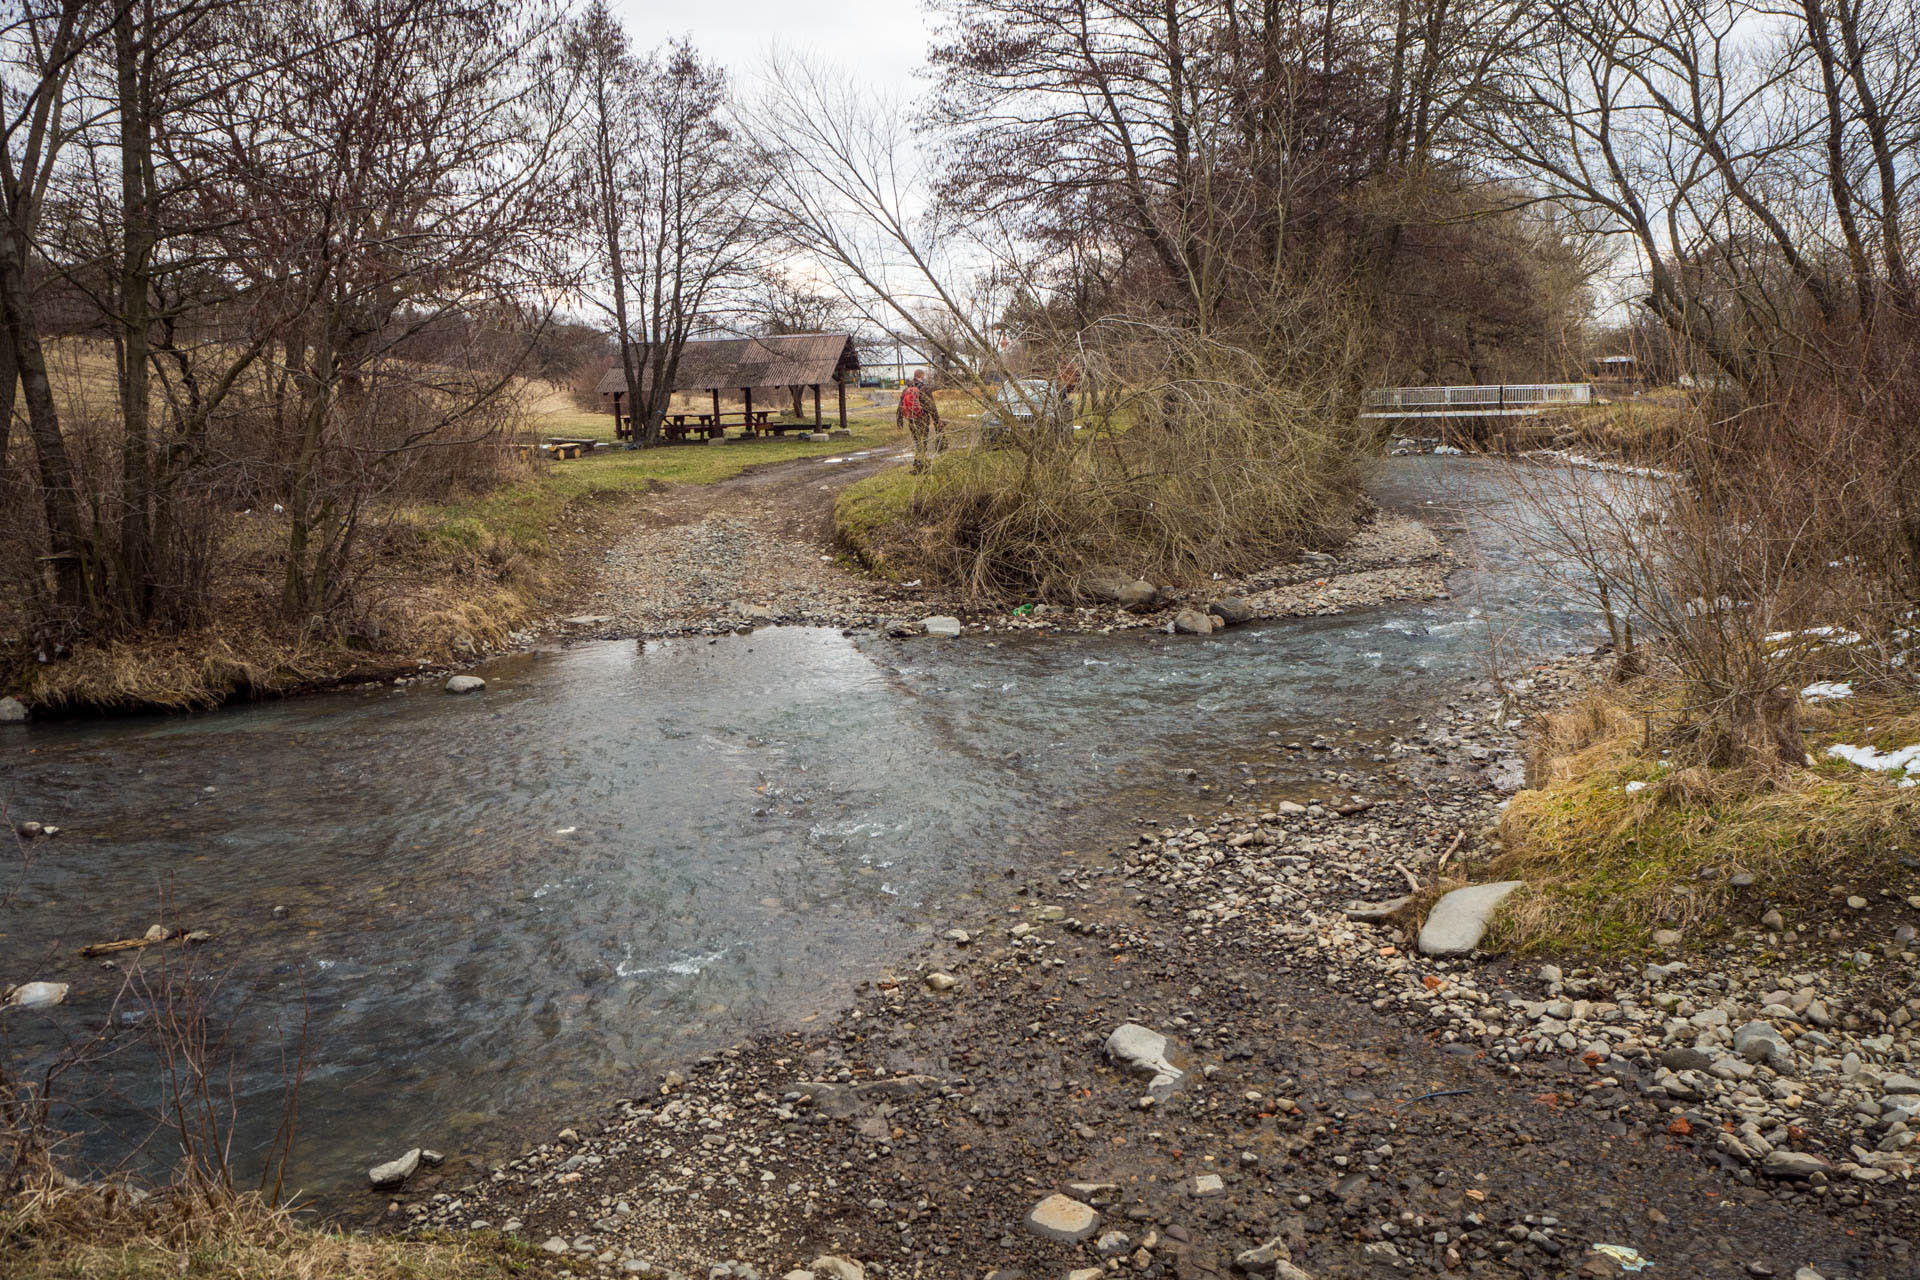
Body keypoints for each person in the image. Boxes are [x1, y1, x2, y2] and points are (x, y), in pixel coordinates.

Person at [897, 369, 942, 467]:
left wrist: (899, 419)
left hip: (911, 419)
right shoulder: (924, 388)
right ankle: (920, 464)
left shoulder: (907, 389)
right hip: (922, 419)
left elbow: (900, 404)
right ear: (921, 376)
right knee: (923, 441)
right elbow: (931, 405)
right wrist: (936, 421)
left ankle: (918, 462)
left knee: (917, 441)